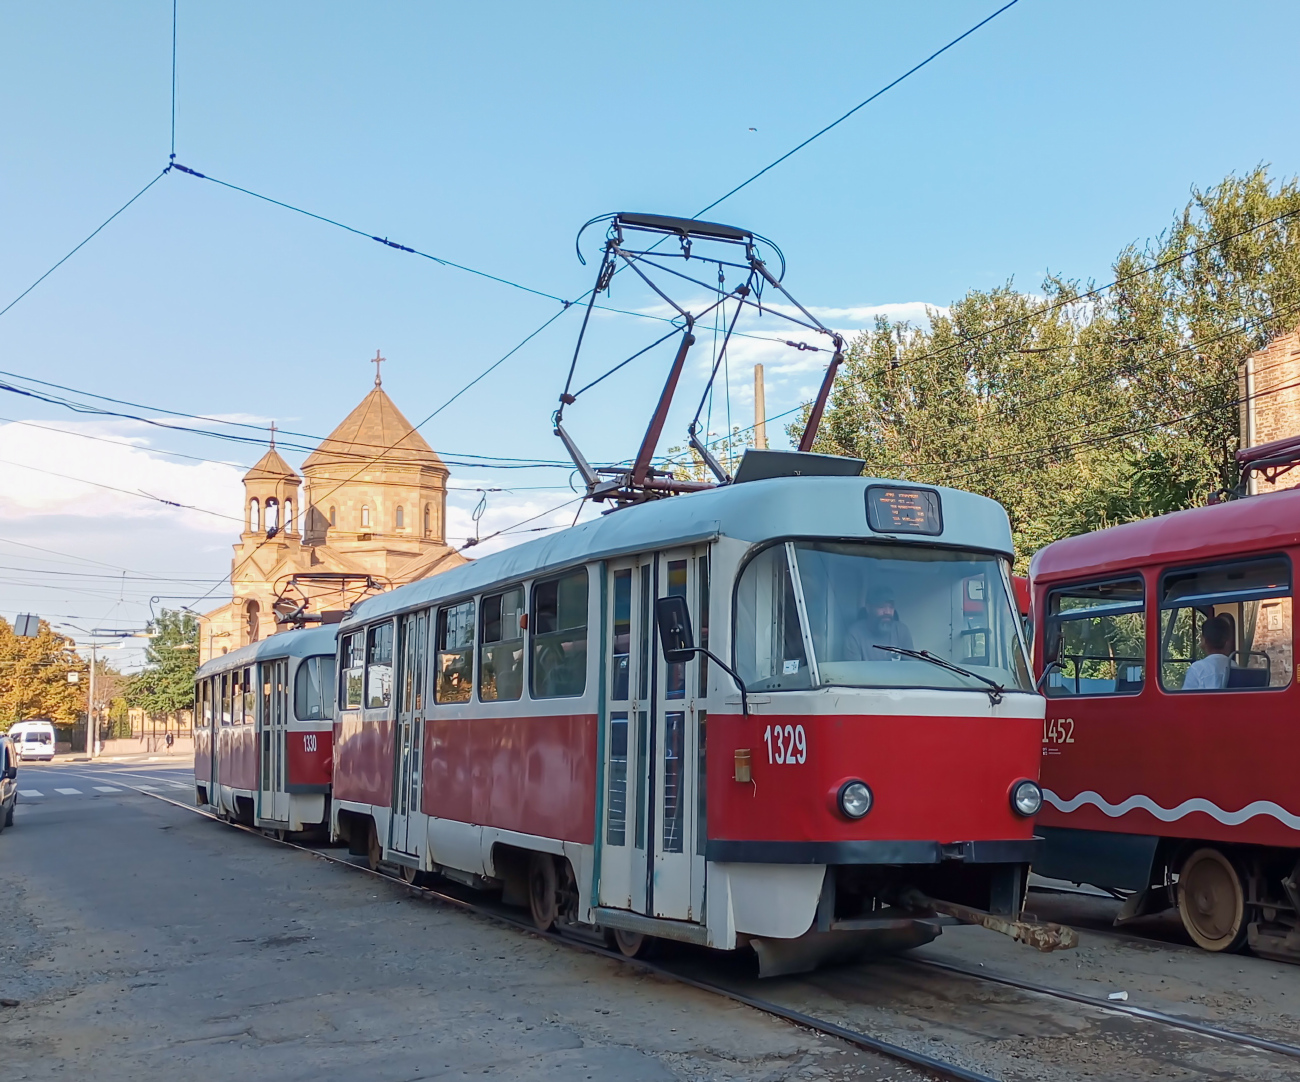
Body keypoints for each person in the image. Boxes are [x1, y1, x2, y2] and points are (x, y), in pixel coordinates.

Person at [844, 586, 914, 660]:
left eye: (891, 607)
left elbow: (911, 666)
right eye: (881, 606)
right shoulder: (854, 634)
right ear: (868, 608)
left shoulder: (901, 630)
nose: (887, 612)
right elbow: (853, 670)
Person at [1182, 614, 1233, 690]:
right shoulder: (1234, 666)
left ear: (1204, 640)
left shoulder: (1197, 669)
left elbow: (1185, 699)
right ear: (1227, 642)